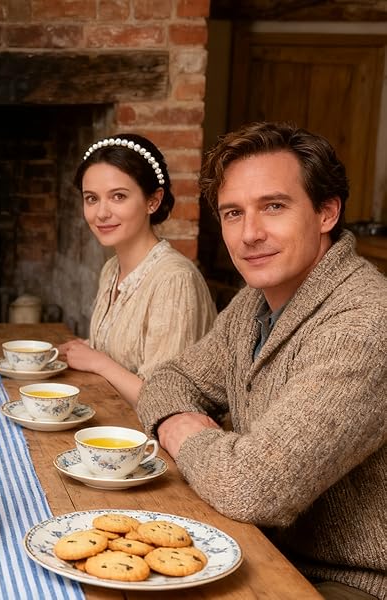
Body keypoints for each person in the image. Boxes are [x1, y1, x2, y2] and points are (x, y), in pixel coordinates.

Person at [137, 122, 387, 600]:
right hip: (258, 543)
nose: (250, 233)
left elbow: (254, 486)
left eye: (274, 206)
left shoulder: (365, 323)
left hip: (347, 580)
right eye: (233, 213)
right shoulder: (254, 303)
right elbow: (169, 379)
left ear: (326, 212)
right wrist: (176, 420)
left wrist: (191, 438)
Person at [58, 134, 216, 406]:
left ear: (152, 201)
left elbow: (166, 402)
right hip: (114, 420)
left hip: (158, 442)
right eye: (91, 199)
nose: (101, 213)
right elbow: (127, 352)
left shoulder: (175, 280)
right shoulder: (111, 269)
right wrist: (82, 350)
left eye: (118, 196)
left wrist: (99, 362)